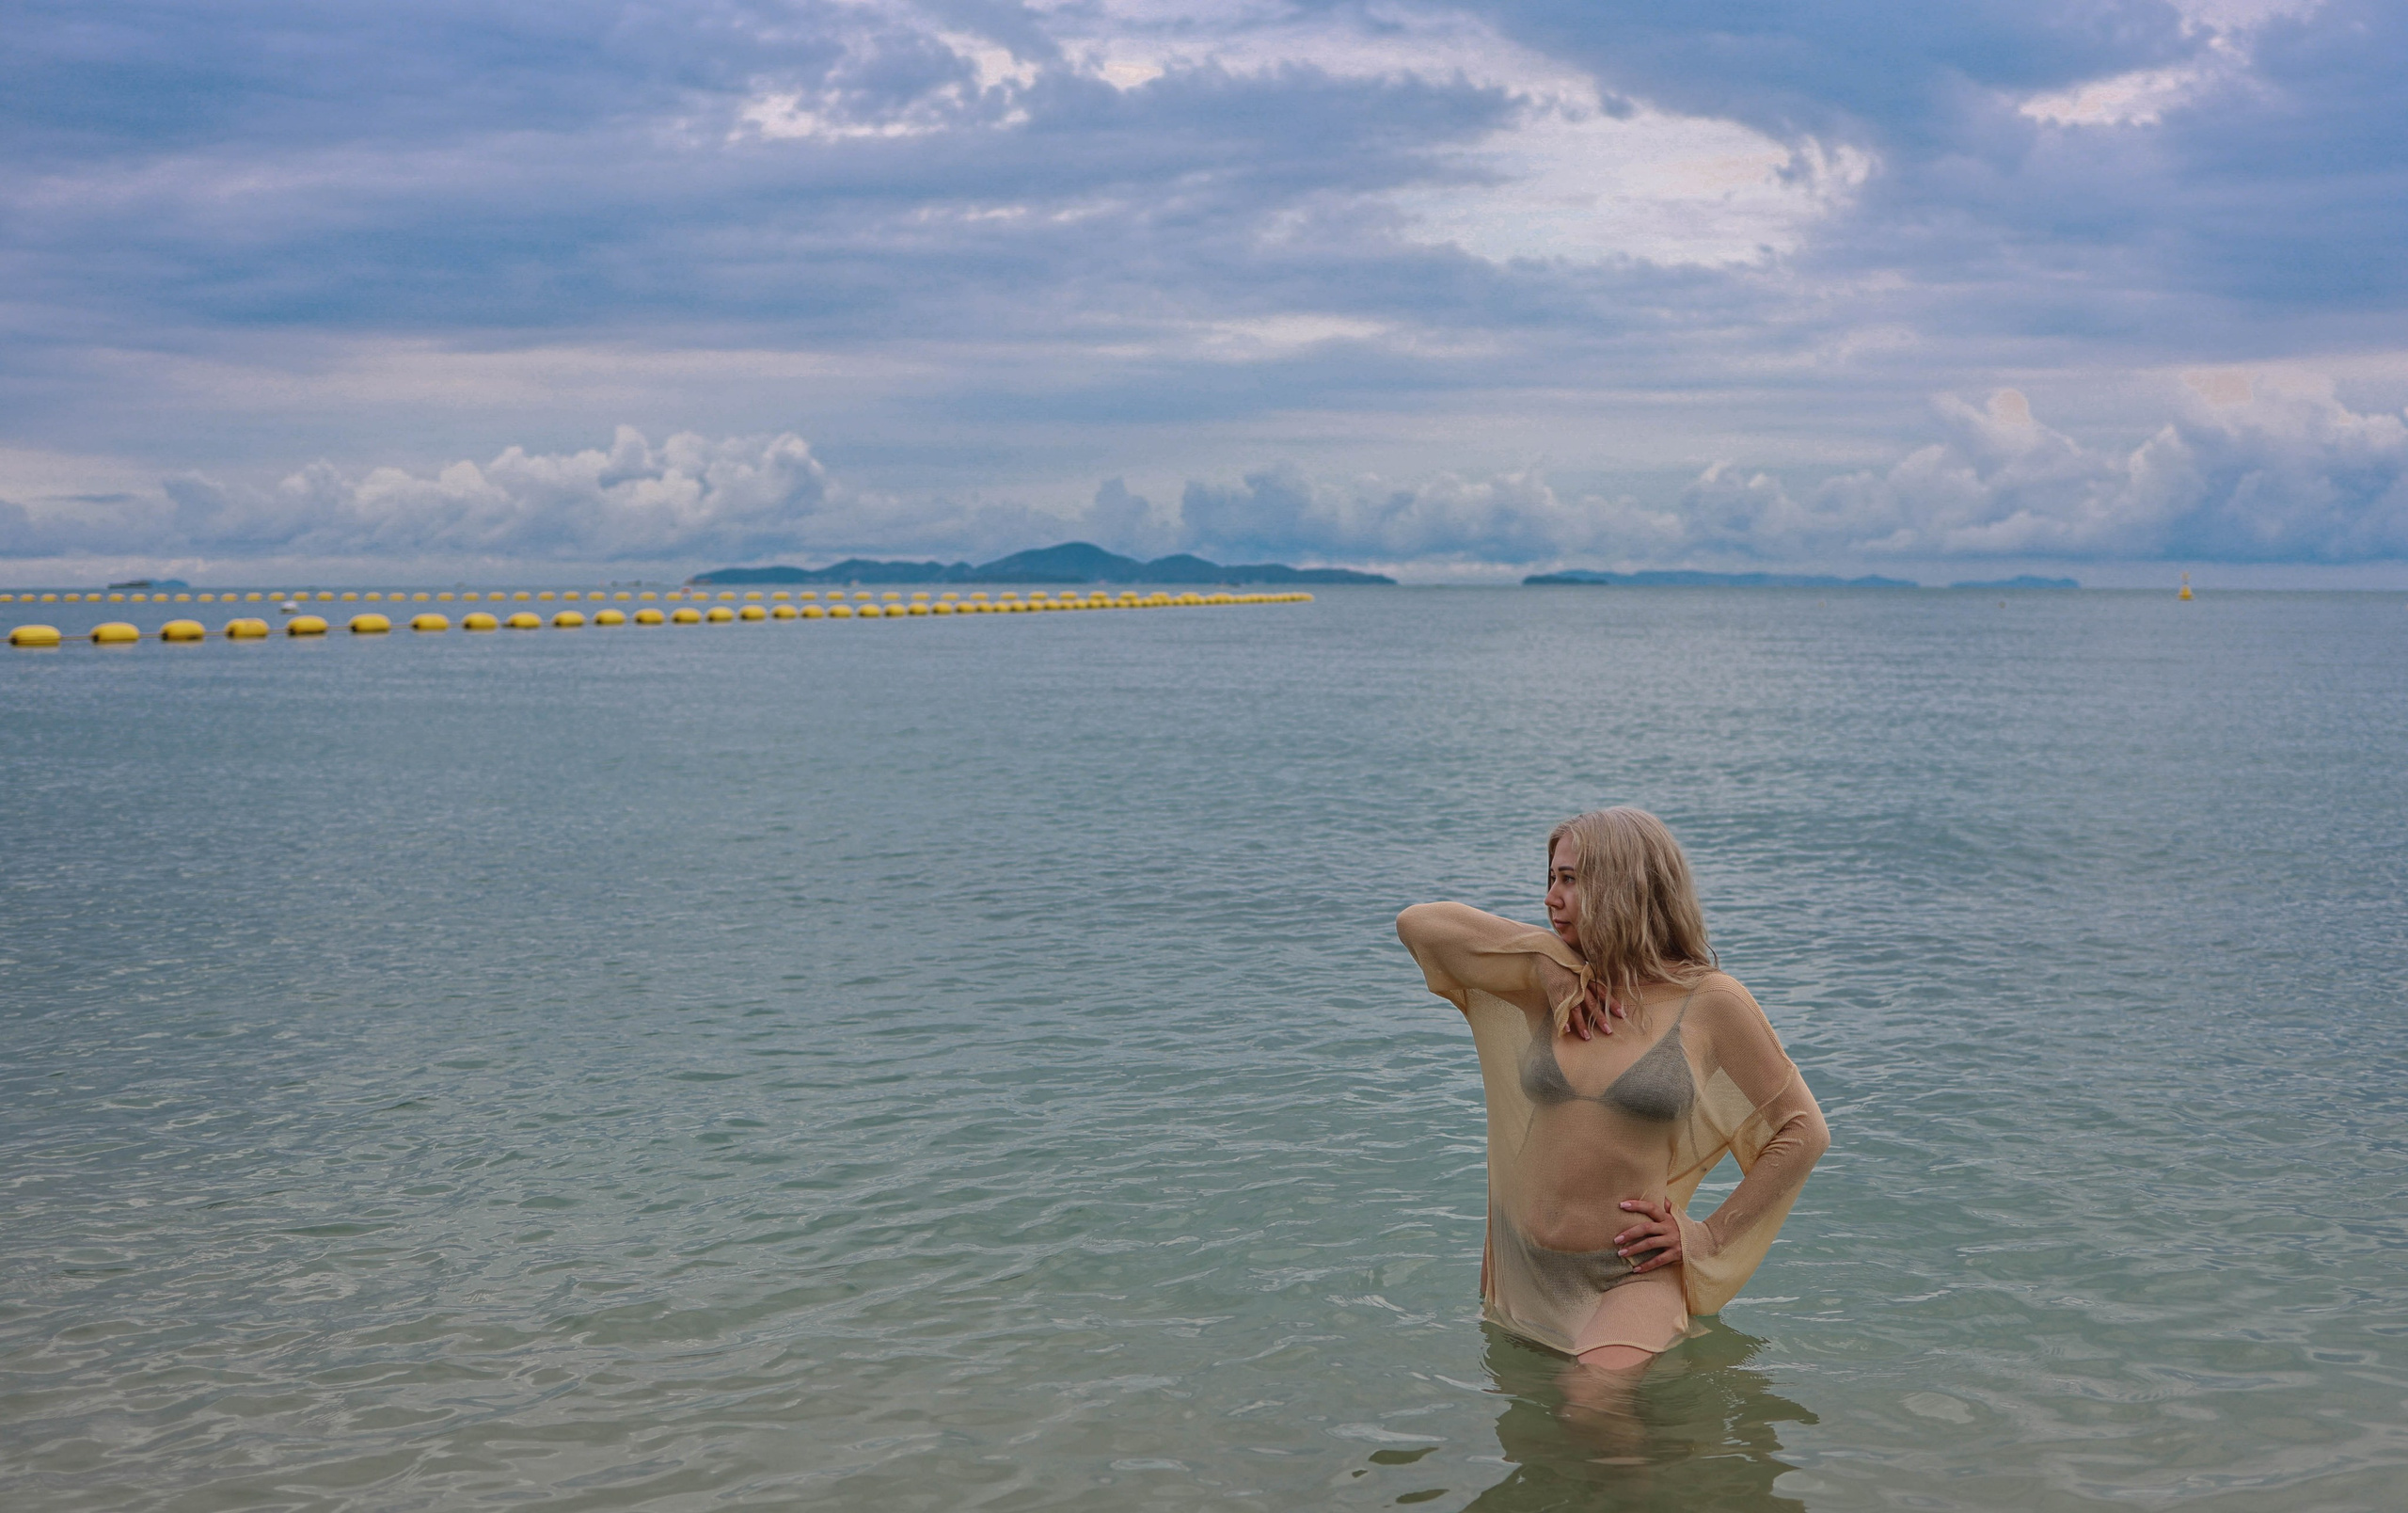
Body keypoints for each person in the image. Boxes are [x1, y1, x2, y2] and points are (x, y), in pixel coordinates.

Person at [1395, 807, 1829, 1380]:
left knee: (1594, 1408)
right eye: (1549, 879)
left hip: (1627, 1274)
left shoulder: (1711, 1002)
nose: (1551, 899)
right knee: (1535, 1451)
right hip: (1522, 1266)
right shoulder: (1555, 989)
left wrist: (1708, 1235)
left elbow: (1802, 1131)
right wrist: (1543, 961)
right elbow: (1418, 924)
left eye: (1569, 879)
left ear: (1623, 883)